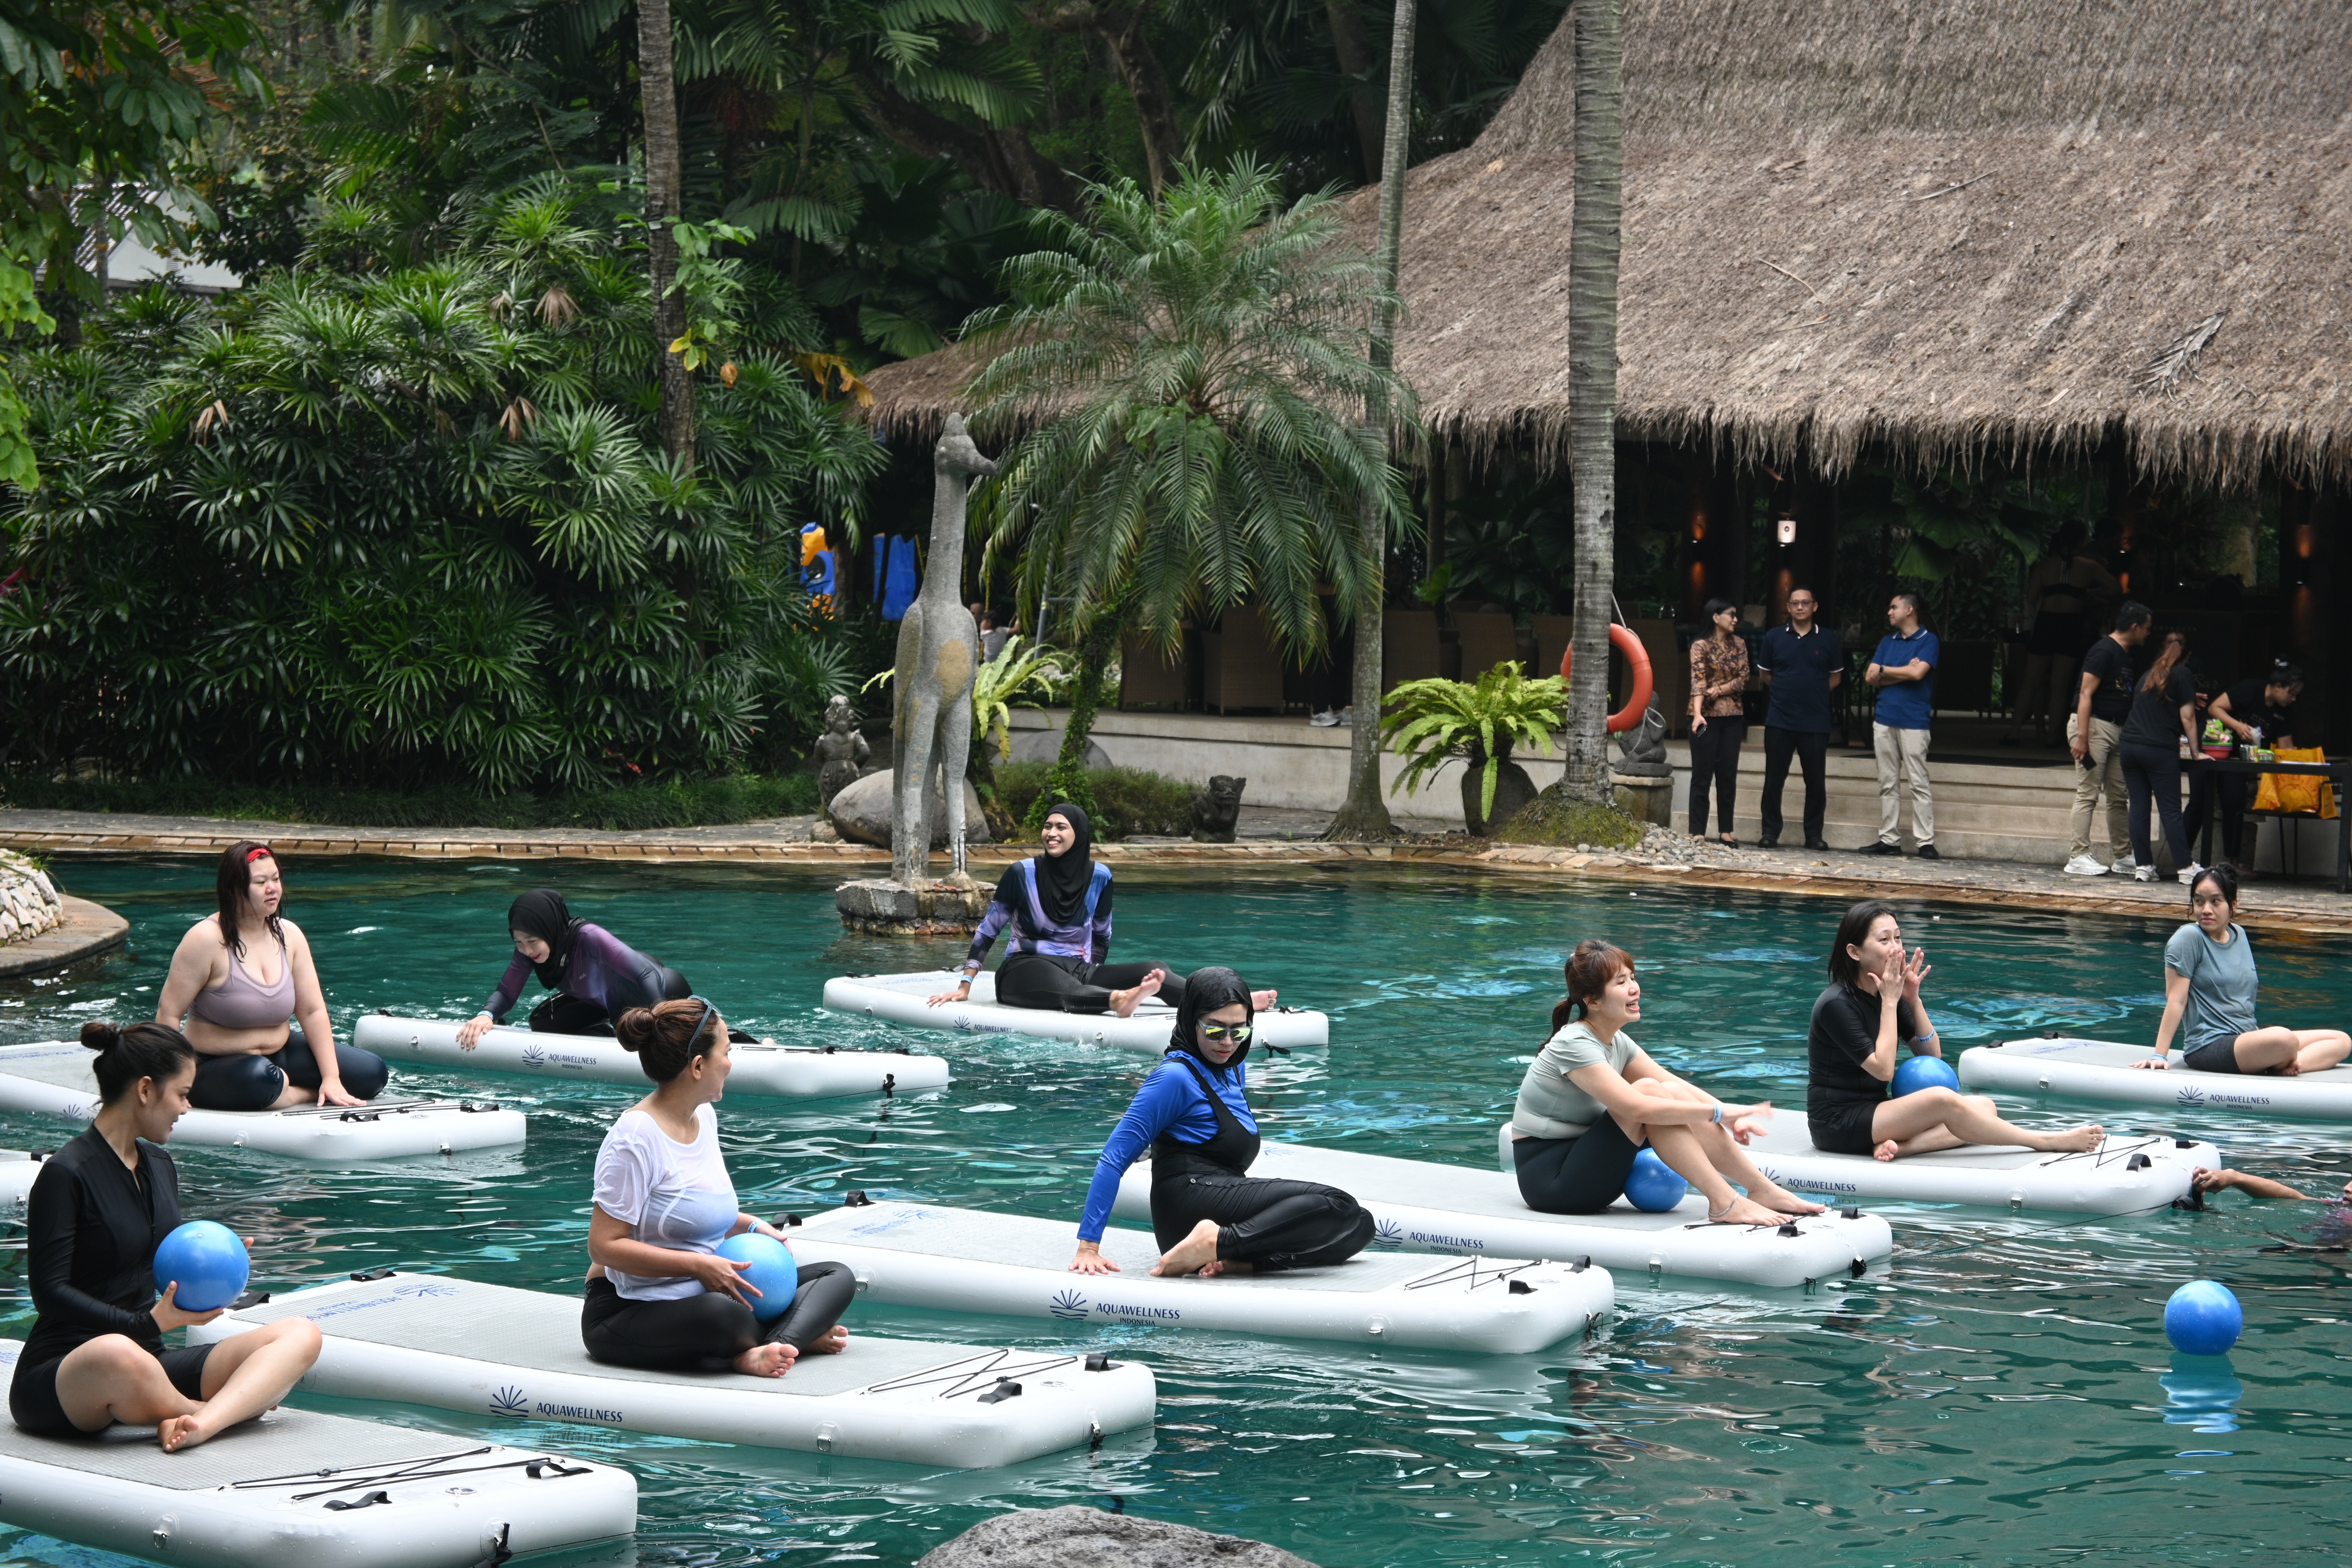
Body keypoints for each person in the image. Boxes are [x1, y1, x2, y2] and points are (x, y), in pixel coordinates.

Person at [11, 1021, 321, 1449]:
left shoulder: (159, 1164)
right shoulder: (66, 1173)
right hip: (70, 1369)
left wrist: (219, 1254)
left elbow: (165, 1259)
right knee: (116, 1352)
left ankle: (200, 1421)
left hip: (150, 1361)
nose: (187, 1107)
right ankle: (206, 1412)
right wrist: (143, 1323)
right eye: (181, 1093)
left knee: (300, 1334)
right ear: (145, 1090)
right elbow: (49, 1293)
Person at [583, 998, 855, 1375]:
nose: (731, 1062)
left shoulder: (703, 1117)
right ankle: (785, 1339)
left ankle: (771, 1345)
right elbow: (604, 1245)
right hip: (632, 1309)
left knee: (836, 1277)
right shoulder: (634, 1139)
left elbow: (691, 1212)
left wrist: (754, 1226)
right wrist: (698, 1266)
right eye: (727, 1051)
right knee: (723, 1316)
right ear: (698, 1067)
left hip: (707, 1290)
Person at [1068, 968, 1370, 1278]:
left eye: (1239, 1031)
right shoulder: (1174, 1078)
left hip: (1223, 1202)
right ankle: (1214, 1242)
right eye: (1215, 1030)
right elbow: (1113, 1158)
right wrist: (1089, 1248)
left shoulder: (1231, 1068)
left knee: (1360, 1226)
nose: (1227, 1042)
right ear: (1189, 1020)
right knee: (1339, 1204)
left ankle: (1237, 1259)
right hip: (1187, 1207)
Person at [1508, 941, 1824, 1225]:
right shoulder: (1574, 1043)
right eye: (1621, 982)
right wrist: (1717, 1113)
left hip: (1592, 1166)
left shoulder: (1617, 1041)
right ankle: (1725, 1203)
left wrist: (1728, 1112)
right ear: (1594, 1000)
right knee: (1649, 1096)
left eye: (1632, 977)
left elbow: (1676, 1086)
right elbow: (1635, 1106)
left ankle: (1761, 1189)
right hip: (1554, 1182)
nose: (1634, 988)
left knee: (1669, 1094)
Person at [1809, 901, 2104, 1161]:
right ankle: (2044, 1141)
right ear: (1854, 952)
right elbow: (1884, 1071)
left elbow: (1932, 1056)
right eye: (1884, 940)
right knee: (1944, 1100)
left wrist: (1913, 1000)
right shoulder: (1837, 1004)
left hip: (1878, 1110)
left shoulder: (1891, 993)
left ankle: (1905, 1148)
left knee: (1984, 1107)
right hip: (1837, 1121)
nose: (1897, 948)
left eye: (1898, 937)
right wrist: (1890, 1001)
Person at [927, 803, 1275, 1016]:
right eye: (1048, 826)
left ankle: (1228, 1002)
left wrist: (1095, 971)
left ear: (1079, 833)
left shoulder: (1100, 876)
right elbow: (989, 930)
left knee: (1154, 968)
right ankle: (1118, 1000)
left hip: (1079, 967)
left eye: (1060, 827)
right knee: (1067, 989)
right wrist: (965, 985)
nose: (1051, 833)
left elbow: (1103, 934)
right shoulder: (1022, 873)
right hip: (1024, 970)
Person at [155, 841, 388, 1112]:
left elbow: (312, 1011)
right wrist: (173, 1084)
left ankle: (288, 1090)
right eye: (260, 882)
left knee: (371, 1073)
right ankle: (297, 1093)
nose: (273, 889)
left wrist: (331, 1078)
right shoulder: (205, 940)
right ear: (234, 889)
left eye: (276, 879)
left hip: (281, 1052)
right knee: (260, 1079)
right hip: (214, 1063)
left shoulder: (290, 935)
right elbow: (169, 1014)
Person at [2131, 865, 2352, 1077]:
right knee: (2284, 1038)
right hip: (2209, 1047)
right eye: (2199, 902)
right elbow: (2176, 1001)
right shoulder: (2188, 938)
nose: (2206, 909)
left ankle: (2293, 1065)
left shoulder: (2240, 934)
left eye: (2216, 902)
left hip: (2247, 1039)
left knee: (2341, 1041)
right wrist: (2160, 1055)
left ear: (2233, 905)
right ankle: (2281, 1060)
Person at [456, 889, 696, 1044]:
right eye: (518, 942)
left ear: (549, 930)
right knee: (543, 1024)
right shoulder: (528, 951)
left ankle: (712, 1033)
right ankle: (608, 1041)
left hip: (659, 991)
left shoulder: (589, 937)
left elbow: (645, 974)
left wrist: (661, 1016)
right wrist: (486, 1015)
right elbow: (507, 992)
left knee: (632, 1033)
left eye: (532, 941)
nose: (527, 950)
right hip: (605, 1002)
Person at [2063, 604, 2153, 876]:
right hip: (2094, 728)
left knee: (2118, 795)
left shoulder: (2126, 655)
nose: (2149, 634)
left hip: (2116, 730)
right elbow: (2086, 694)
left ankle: (2123, 855)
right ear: (2135, 627)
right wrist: (2082, 737)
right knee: (2088, 792)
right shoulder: (2104, 650)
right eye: (2147, 629)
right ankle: (2078, 856)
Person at [2006, 532, 2118, 747]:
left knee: (2030, 681)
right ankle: (2052, 737)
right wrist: (2085, 593)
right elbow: (2115, 587)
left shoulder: (2044, 565)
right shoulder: (2089, 566)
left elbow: (2031, 598)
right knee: (2060, 684)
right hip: (2070, 624)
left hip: (2046, 623)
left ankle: (2014, 732)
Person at [2188, 662, 2302, 869]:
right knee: (2198, 802)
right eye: (2291, 693)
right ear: (2278, 686)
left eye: (2296, 695)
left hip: (2240, 761)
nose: (2293, 699)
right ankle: (2183, 858)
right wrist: (2239, 727)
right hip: (2213, 748)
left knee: (2234, 804)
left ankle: (2232, 862)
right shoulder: (2250, 689)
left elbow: (2287, 749)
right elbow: (2215, 708)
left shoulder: (2284, 712)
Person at [1756, 585, 1843, 850]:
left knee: (1816, 781)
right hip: (1780, 719)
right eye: (1796, 603)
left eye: (1806, 603)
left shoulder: (1829, 639)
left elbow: (1835, 677)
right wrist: (1788, 691)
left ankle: (1814, 835)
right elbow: (1765, 675)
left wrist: (1812, 693)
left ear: (1815, 606)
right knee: (1774, 779)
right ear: (1789, 607)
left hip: (1815, 721)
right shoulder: (1774, 637)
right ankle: (1770, 833)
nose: (1801, 607)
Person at [1860, 592, 1939, 858]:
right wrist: (1900, 672)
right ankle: (1889, 840)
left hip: (1914, 721)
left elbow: (1919, 674)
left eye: (1894, 607)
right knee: (1887, 782)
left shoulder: (1929, 641)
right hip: (1884, 719)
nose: (1889, 612)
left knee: (1919, 781)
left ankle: (1925, 842)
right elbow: (1870, 677)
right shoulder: (1887, 641)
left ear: (1910, 610)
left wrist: (1886, 671)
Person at [2118, 628, 2199, 883]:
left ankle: (2143, 866)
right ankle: (2186, 869)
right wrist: (2197, 753)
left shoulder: (2148, 676)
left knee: (2139, 807)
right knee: (2171, 810)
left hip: (2130, 746)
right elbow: (2188, 717)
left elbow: (2155, 706)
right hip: (2158, 749)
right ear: (2188, 655)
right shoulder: (2184, 673)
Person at [1687, 599, 1750, 847]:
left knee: (1727, 775)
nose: (1735, 620)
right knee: (1702, 775)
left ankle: (1726, 831)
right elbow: (1698, 680)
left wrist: (1720, 690)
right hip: (1705, 717)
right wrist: (1698, 714)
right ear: (1716, 617)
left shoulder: (1740, 644)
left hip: (1733, 716)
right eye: (1731, 615)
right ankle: (1697, 831)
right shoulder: (1700, 646)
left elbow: (1744, 679)